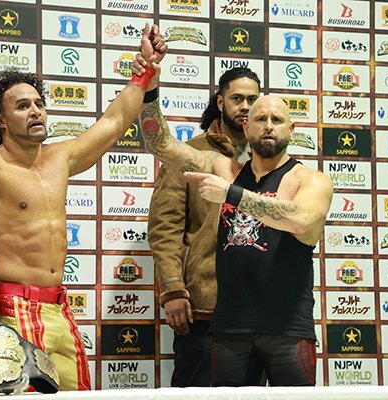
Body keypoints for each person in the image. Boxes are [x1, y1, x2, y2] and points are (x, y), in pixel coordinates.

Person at [0, 25, 166, 391]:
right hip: (10, 308)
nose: (36, 111)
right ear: (0, 120)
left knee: (79, 396)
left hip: (59, 308)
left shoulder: (60, 158)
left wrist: (144, 72)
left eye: (39, 104)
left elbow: (114, 121)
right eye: (22, 106)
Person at [136, 55, 332, 385]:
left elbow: (300, 219)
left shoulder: (310, 179)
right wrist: (150, 88)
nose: (268, 125)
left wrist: (232, 194)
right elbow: (160, 144)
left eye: (277, 119)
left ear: (291, 129)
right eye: (260, 119)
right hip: (229, 327)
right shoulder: (223, 167)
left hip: (286, 327)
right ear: (246, 127)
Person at [147, 68, 261, 387]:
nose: (245, 106)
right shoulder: (191, 153)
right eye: (237, 98)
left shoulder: (267, 156)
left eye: (252, 99)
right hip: (205, 306)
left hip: (260, 311)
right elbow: (165, 225)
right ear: (220, 103)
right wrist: (172, 288)